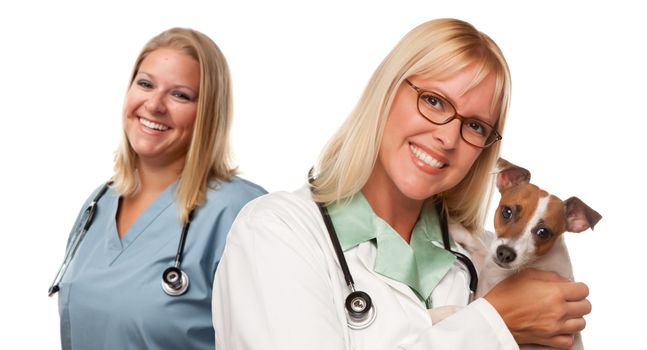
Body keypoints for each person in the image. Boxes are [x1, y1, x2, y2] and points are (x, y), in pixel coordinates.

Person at [212, 18, 590, 349]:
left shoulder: (482, 260)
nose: (447, 137)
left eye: (475, 126)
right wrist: (495, 323)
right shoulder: (275, 233)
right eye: (434, 101)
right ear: (387, 90)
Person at [51, 28, 266, 349]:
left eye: (180, 95)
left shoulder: (242, 213)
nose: (154, 105)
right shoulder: (98, 204)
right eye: (146, 84)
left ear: (207, 112)